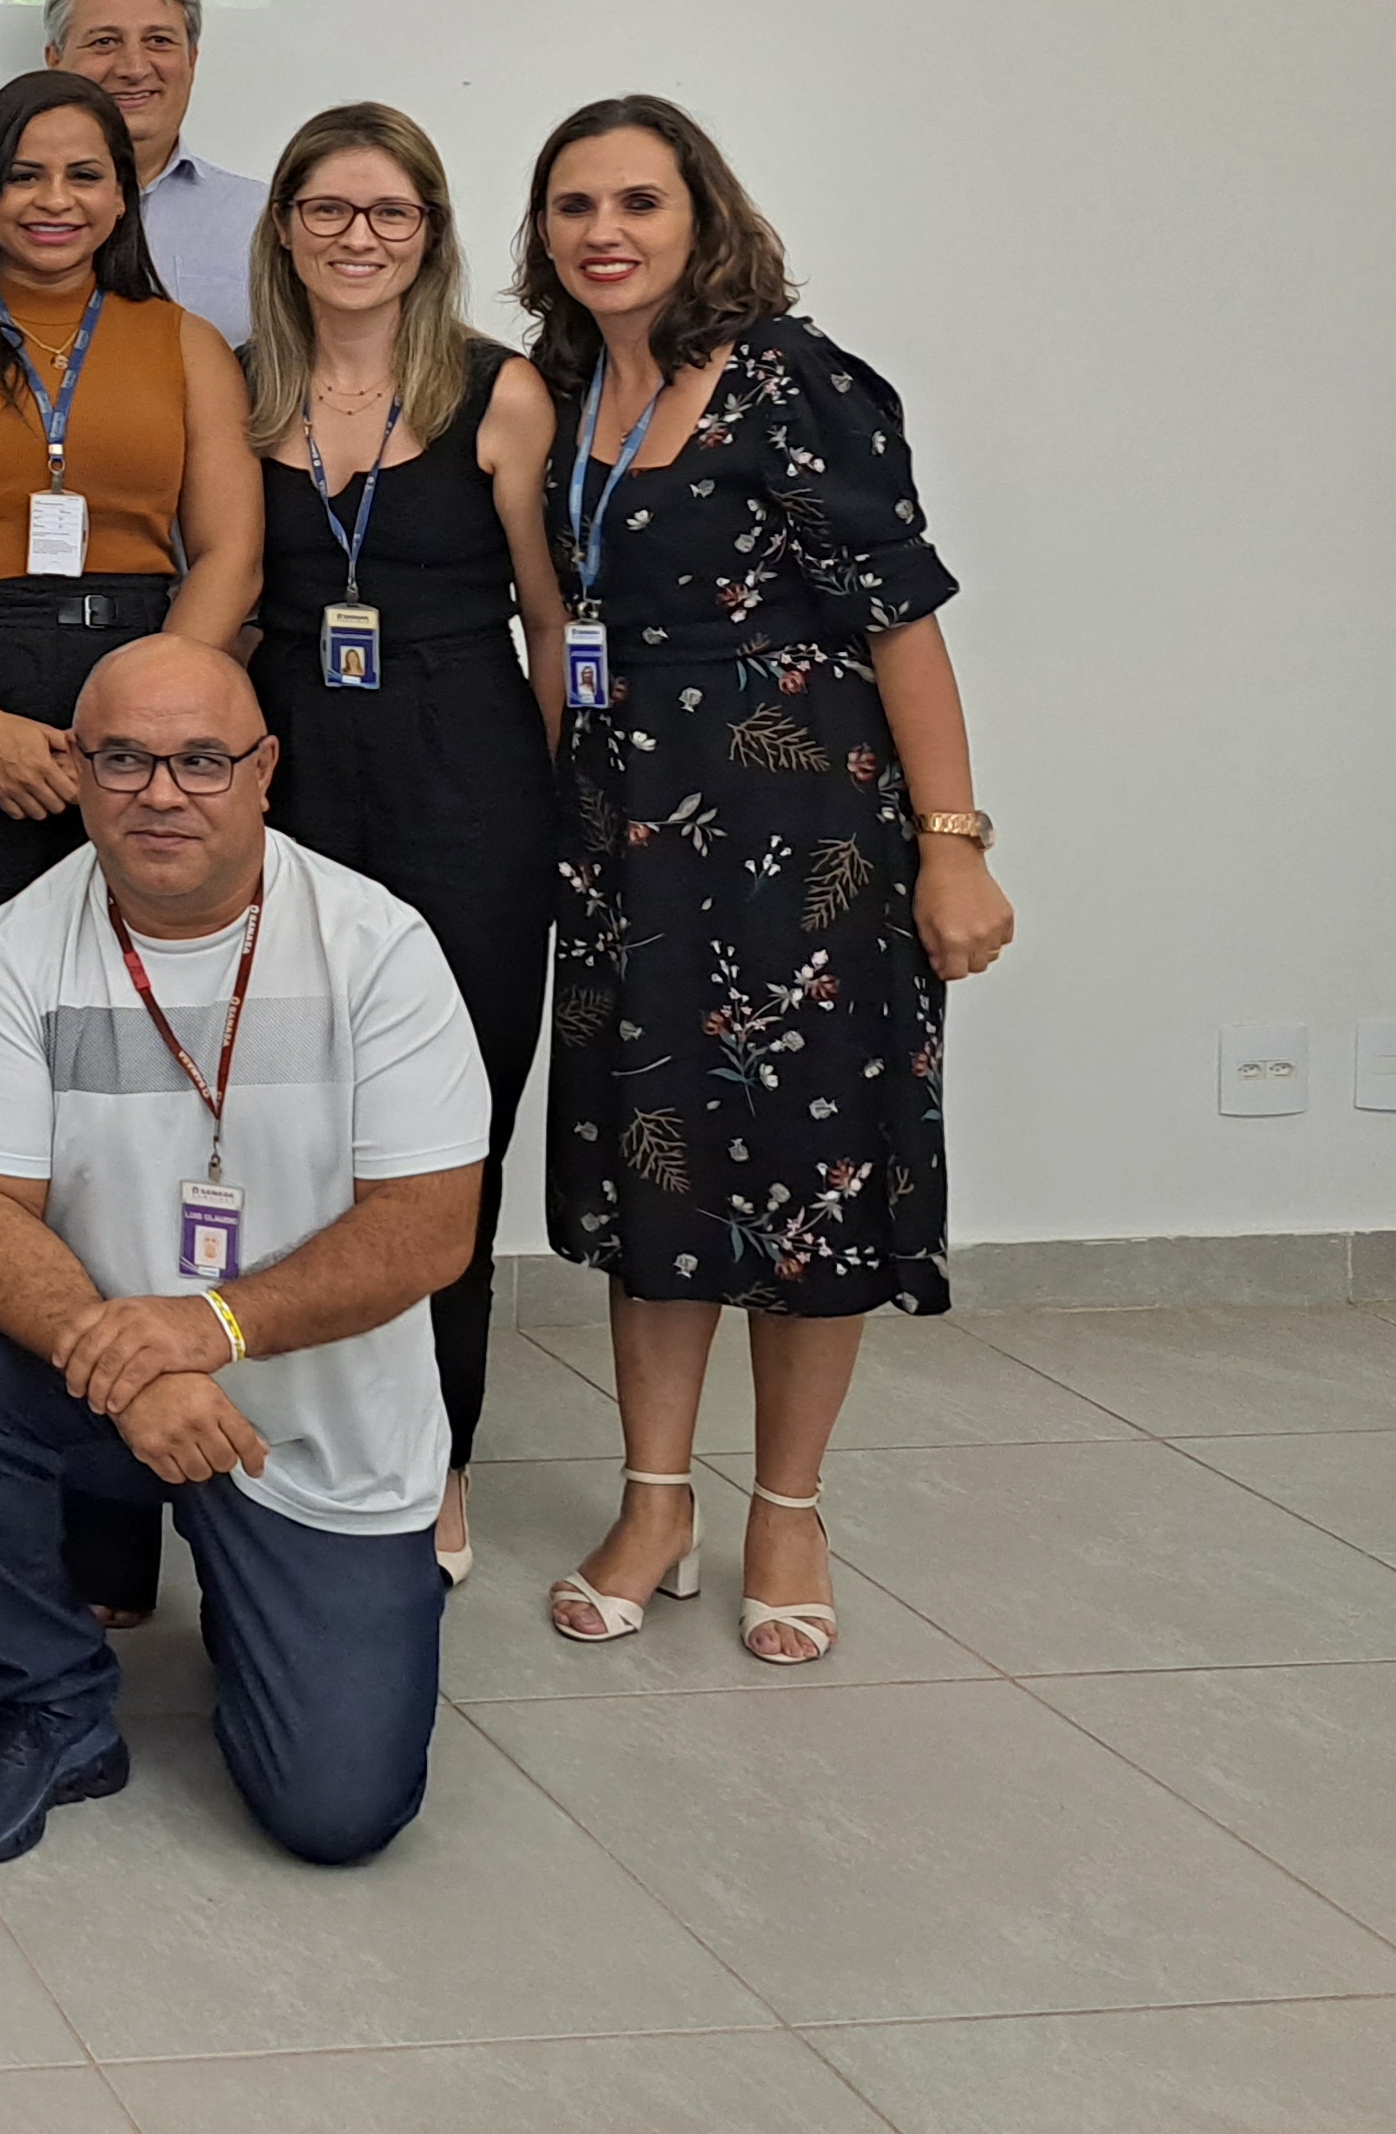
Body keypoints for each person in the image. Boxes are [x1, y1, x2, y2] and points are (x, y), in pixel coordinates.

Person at [520, 99, 1011, 1667]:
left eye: (638, 202)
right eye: (574, 204)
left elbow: (904, 625)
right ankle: (655, 1498)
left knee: (812, 1174)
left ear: (701, 216)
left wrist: (954, 848)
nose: (605, 230)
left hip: (807, 843)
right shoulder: (555, 390)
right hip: (627, 839)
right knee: (652, 1167)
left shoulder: (800, 383)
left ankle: (786, 1506)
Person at [0, 637, 486, 1869]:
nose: (161, 793)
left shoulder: (377, 948)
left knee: (337, 1814)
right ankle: (47, 1697)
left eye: (201, 761)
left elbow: (428, 1226)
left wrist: (212, 1331)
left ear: (266, 769)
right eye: (123, 760)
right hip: (109, 1385)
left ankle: (276, 1594)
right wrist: (148, 1369)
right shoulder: (12, 952)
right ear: (80, 771)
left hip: (315, 1428)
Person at [0, 68, 262, 1310]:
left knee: (141, 1032)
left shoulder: (182, 344)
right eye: (25, 173)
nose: (54, 200)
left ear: (124, 198)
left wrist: (154, 733)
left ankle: (147, 1316)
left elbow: (228, 550)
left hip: (147, 697)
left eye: (85, 175)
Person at [238, 104, 570, 1583]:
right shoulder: (242, 395)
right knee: (294, 1130)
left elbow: (557, 625)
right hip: (296, 796)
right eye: (328, 210)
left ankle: (438, 1456)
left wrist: (577, 814)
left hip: (470, 795)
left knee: (452, 1141)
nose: (356, 239)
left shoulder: (503, 396)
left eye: (389, 213)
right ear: (286, 228)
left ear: (429, 233)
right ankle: (293, 1442)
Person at [0, 0, 265, 340]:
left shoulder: (261, 221)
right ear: (54, 59)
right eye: (104, 41)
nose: (134, 68)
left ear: (191, 58)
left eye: (159, 41)